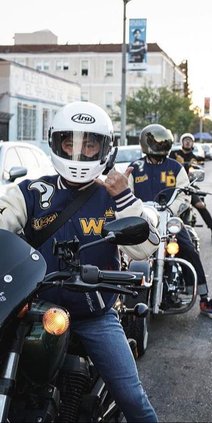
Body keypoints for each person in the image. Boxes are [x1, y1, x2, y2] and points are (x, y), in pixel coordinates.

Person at [0, 101, 159, 422]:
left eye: (90, 143)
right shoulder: (31, 191)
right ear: (57, 143)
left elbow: (145, 249)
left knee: (131, 396)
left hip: (94, 314)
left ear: (104, 148)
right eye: (71, 141)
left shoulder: (114, 195)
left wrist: (125, 198)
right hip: (31, 309)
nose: (79, 150)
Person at [128, 123, 212, 319]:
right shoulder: (135, 168)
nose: (159, 146)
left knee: (189, 249)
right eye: (155, 142)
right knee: (122, 250)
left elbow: (184, 196)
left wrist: (170, 211)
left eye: (162, 142)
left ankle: (204, 298)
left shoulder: (175, 167)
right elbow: (127, 194)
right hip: (142, 220)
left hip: (168, 220)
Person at [169, 132, 212, 242]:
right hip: (172, 186)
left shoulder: (195, 157)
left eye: (190, 140)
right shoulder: (174, 154)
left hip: (188, 186)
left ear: (193, 143)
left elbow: (198, 167)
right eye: (185, 140)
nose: (188, 142)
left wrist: (190, 165)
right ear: (182, 142)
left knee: (200, 205)